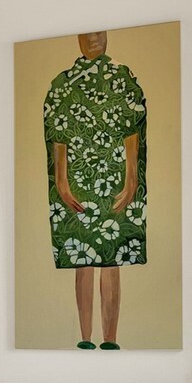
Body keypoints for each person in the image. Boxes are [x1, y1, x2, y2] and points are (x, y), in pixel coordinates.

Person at [41, 30, 147, 349]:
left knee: (111, 260)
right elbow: (57, 134)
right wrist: (62, 183)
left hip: (114, 177)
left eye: (100, 33)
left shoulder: (123, 78)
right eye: (87, 34)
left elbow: (133, 130)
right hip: (78, 179)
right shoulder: (63, 83)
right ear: (77, 38)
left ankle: (110, 338)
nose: (94, 39)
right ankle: (85, 337)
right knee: (83, 259)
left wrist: (131, 181)